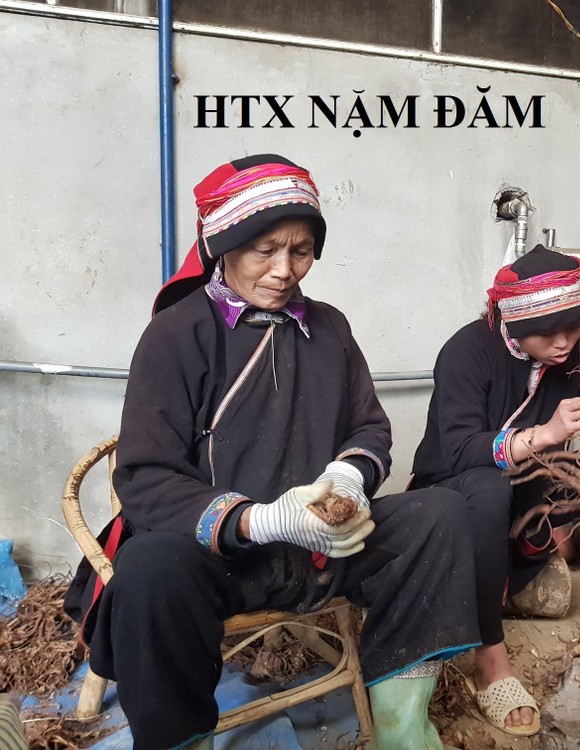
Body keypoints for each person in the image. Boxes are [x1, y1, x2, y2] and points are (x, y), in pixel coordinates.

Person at [63, 154, 480, 750]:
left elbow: (370, 427)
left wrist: (346, 477)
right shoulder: (177, 334)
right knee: (151, 570)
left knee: (440, 514)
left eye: (302, 250)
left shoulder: (330, 328)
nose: (285, 270)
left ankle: (401, 726)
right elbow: (146, 476)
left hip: (321, 547)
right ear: (225, 247)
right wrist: (261, 518)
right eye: (265, 249)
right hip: (222, 558)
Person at [410, 244, 580, 736]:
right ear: (512, 323)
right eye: (547, 332)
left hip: (526, 490)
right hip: (453, 490)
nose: (563, 343)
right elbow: (461, 449)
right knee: (489, 487)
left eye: (573, 327)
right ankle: (491, 659)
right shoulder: (466, 351)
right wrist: (547, 434)